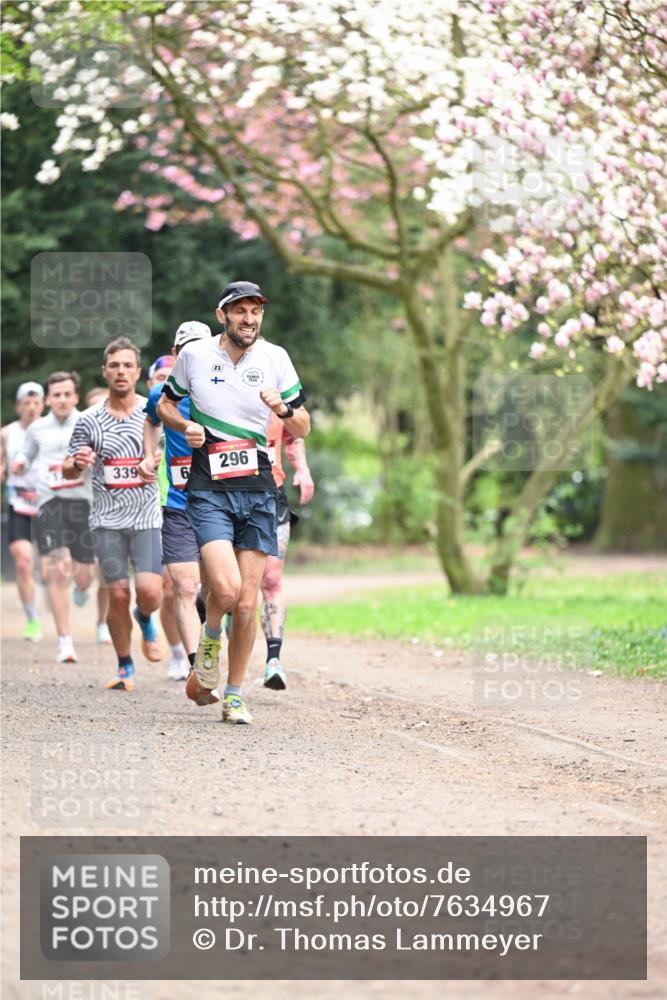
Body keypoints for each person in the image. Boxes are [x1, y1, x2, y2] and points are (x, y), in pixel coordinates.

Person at [158, 280, 310, 724]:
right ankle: (208, 642)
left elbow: (303, 426)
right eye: (240, 311)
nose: (249, 319)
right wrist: (184, 426)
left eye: (255, 312)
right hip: (209, 489)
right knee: (223, 590)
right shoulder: (195, 355)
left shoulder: (276, 358)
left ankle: (235, 693)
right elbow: (167, 405)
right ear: (222, 314)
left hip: (260, 489)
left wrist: (283, 411)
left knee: (246, 603)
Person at [63, 337, 163, 691]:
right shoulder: (88, 420)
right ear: (104, 371)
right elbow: (67, 469)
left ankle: (146, 617)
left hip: (146, 516)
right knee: (117, 594)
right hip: (106, 520)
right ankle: (124, 665)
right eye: (114, 365)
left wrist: (155, 460)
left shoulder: (154, 412)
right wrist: (77, 462)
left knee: (150, 591)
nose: (121, 371)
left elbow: (168, 452)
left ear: (138, 372)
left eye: (127, 365)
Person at [139, 324, 213, 682]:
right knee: (183, 586)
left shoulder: (224, 391)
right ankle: (198, 667)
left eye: (200, 346)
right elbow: (152, 421)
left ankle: (213, 648)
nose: (194, 354)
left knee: (218, 594)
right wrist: (147, 453)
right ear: (177, 351)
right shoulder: (160, 394)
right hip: (178, 501)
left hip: (220, 503)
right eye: (186, 348)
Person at [12, 372, 95, 663]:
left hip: (84, 503)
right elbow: (26, 454)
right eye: (55, 395)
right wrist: (20, 464)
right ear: (48, 398)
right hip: (50, 503)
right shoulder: (37, 428)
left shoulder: (89, 422)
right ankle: (64, 640)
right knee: (57, 569)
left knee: (85, 575)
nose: (61, 399)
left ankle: (83, 589)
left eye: (66, 394)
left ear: (74, 396)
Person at [259, 413, 315, 689]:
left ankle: (273, 661)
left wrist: (302, 469)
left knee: (271, 579)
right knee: (231, 588)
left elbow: (293, 433)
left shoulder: (276, 389)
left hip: (272, 494)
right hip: (226, 495)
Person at [1, 382, 45, 641]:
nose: (31, 408)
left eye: (36, 402)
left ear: (42, 404)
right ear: (18, 405)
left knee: (58, 567)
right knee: (23, 559)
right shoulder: (7, 433)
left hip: (51, 503)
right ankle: (32, 618)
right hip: (19, 502)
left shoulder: (53, 430)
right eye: (26, 403)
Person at [84, 386, 112, 645]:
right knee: (85, 571)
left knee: (105, 569)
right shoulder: (80, 434)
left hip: (109, 509)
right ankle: (80, 583)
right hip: (79, 506)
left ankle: (102, 621)